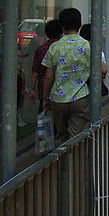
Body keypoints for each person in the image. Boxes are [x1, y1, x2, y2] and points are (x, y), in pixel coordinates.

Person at [42, 8, 91, 143]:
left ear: (62, 26)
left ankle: (61, 162)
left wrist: (46, 98)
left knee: (60, 136)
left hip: (58, 98)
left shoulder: (54, 47)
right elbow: (103, 69)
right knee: (77, 138)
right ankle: (75, 162)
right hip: (80, 97)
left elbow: (49, 77)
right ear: (79, 24)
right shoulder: (87, 45)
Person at [31, 18, 62, 111]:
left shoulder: (41, 49)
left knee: (44, 119)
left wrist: (32, 89)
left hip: (43, 90)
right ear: (61, 32)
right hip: (60, 90)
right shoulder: (62, 48)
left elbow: (35, 72)